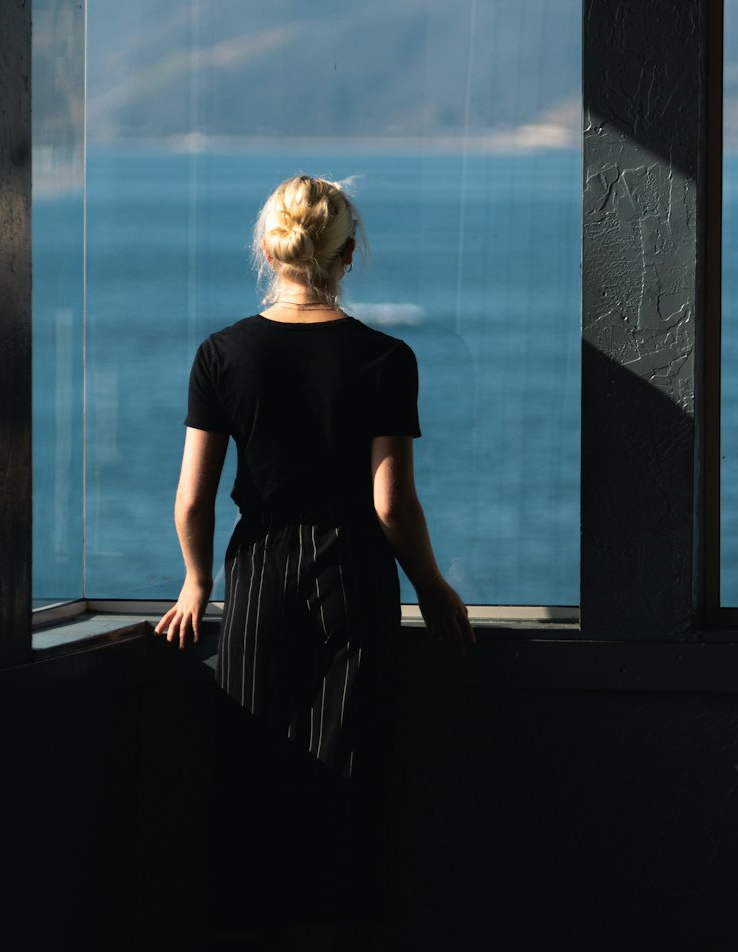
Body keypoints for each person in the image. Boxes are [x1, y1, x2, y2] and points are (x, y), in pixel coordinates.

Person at [155, 174, 474, 947]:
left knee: (253, 776)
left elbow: (193, 501)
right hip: (353, 575)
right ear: (349, 254)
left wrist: (198, 581)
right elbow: (391, 505)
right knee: (347, 782)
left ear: (269, 249)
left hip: (260, 573)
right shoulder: (385, 357)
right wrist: (431, 587)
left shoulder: (222, 354)